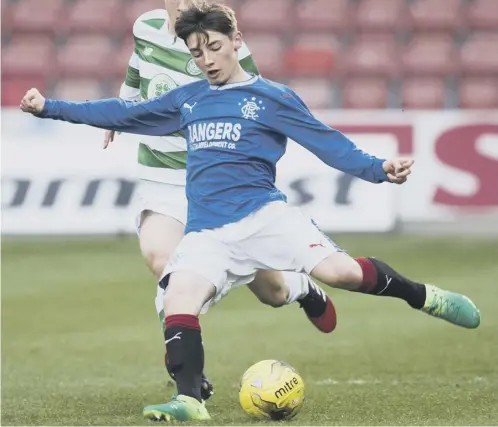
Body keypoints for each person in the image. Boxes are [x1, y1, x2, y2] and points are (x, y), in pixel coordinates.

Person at [20, 2, 481, 422]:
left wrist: (379, 169)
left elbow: (328, 144)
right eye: (197, 54)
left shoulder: (271, 98)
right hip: (208, 233)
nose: (208, 61)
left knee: (341, 274)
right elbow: (123, 112)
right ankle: (189, 399)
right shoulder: (190, 100)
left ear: (236, 41)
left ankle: (424, 296)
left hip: (266, 219)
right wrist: (50, 108)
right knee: (178, 298)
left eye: (215, 48)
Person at [103, 0, 337, 402]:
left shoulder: (221, 39)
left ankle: (302, 288)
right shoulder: (146, 28)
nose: (183, 5)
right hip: (162, 175)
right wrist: (118, 115)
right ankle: (189, 375)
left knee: (271, 290)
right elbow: (136, 71)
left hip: (215, 180)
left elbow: (256, 109)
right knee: (162, 258)